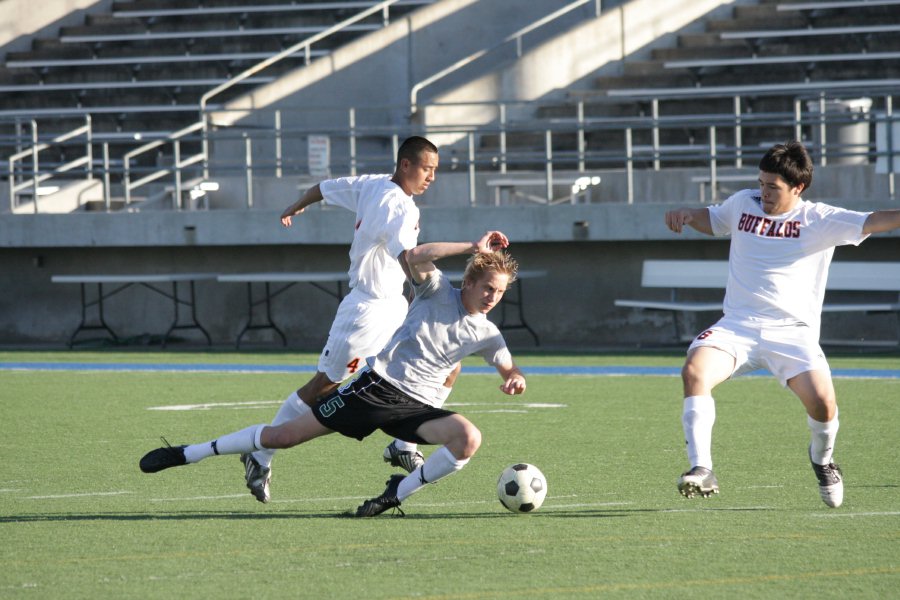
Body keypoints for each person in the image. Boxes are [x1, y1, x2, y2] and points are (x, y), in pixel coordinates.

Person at [140, 230, 526, 517]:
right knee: (282, 436)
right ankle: (187, 453)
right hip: (375, 391)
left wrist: (513, 377)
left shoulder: (487, 332)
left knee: (467, 439)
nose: (493, 297)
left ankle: (395, 494)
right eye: (488, 288)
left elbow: (507, 363)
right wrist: (472, 248)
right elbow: (416, 254)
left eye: (500, 293)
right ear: (470, 282)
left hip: (417, 410)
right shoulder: (436, 289)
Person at [664, 140, 900, 508]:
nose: (763, 192)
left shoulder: (818, 219)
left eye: (772, 187)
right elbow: (714, 219)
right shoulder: (743, 203)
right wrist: (687, 214)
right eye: (761, 183)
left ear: (798, 188)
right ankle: (702, 468)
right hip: (737, 326)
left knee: (823, 403)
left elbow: (871, 220)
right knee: (695, 371)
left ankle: (822, 461)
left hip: (792, 333)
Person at [243, 136, 445, 504]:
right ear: (405, 165)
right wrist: (428, 292)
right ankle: (259, 453)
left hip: (394, 306)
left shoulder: (372, 184)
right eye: (427, 168)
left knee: (441, 362)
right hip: (367, 312)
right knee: (324, 387)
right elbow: (409, 256)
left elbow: (324, 187)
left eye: (435, 170)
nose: (432, 176)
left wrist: (297, 204)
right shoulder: (397, 205)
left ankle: (403, 443)